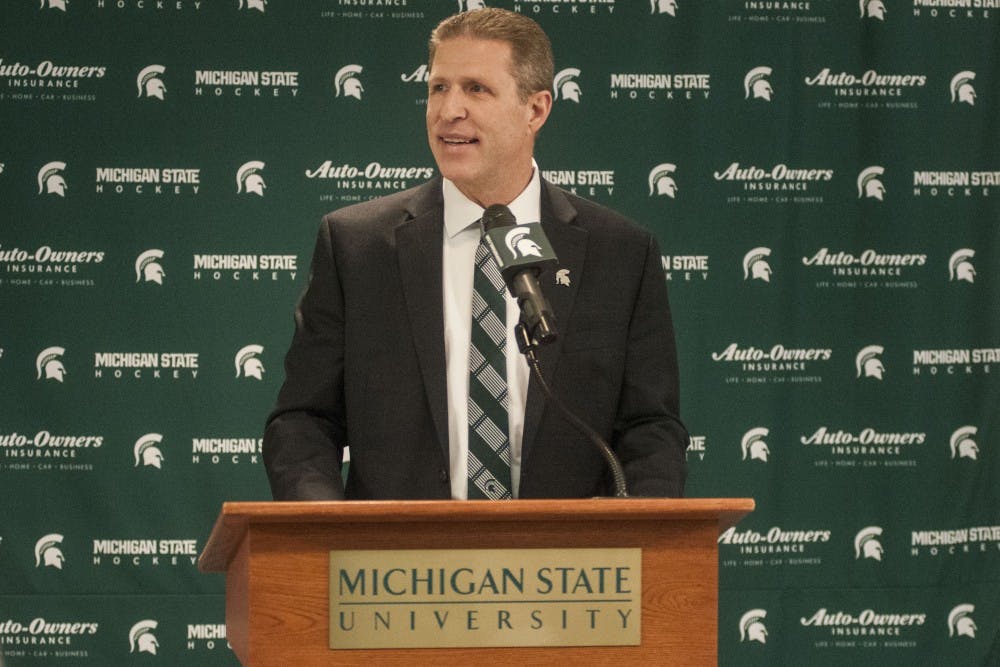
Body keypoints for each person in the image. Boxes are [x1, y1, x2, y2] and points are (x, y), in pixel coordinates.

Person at [263, 8, 687, 501]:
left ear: (536, 109)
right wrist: (329, 533)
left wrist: (636, 540)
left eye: (475, 89)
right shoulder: (356, 247)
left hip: (567, 566)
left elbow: (651, 428)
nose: (448, 111)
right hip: (398, 568)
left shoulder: (621, 253)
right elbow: (303, 421)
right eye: (439, 88)